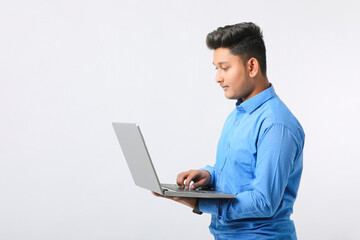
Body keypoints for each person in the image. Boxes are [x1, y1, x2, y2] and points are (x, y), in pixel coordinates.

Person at [153, 22, 305, 240]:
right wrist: (209, 176)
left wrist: (200, 202)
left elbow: (264, 202)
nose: (218, 78)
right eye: (216, 69)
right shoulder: (238, 115)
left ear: (252, 67)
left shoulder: (276, 125)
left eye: (225, 68)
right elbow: (241, 174)